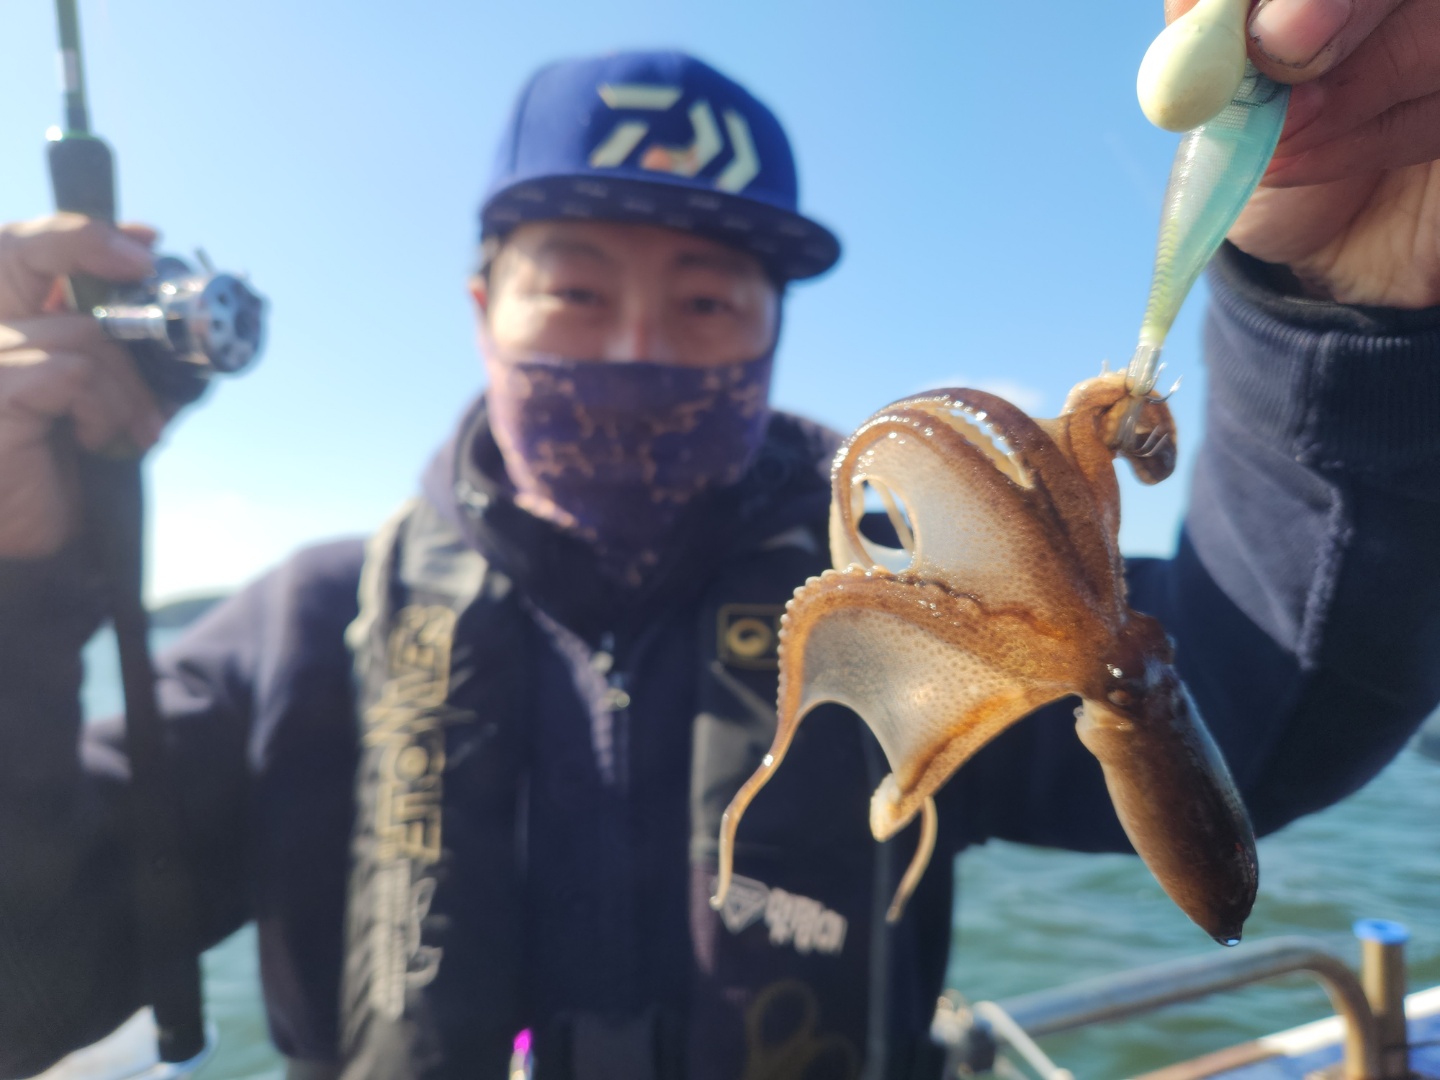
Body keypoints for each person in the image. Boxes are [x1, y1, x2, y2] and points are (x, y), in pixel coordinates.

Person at [1, 12, 1438, 1079]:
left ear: (770, 335)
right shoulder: (310, 633)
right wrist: (19, 582)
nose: (639, 345)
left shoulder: (911, 612)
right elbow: (28, 976)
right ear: (481, 310)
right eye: (575, 292)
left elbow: (1275, 699)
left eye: (706, 302)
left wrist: (1350, 314)